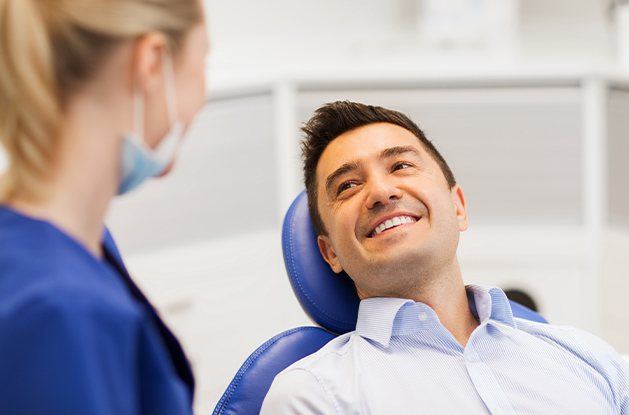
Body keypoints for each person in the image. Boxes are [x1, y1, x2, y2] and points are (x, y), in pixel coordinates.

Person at [261, 101, 629, 414]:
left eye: (401, 166)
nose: (382, 191)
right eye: (348, 186)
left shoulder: (588, 356)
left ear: (458, 207)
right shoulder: (313, 395)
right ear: (330, 253)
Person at [0, 0, 208, 414]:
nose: (202, 93)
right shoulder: (60, 310)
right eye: (202, 59)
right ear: (152, 62)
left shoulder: (70, 251)